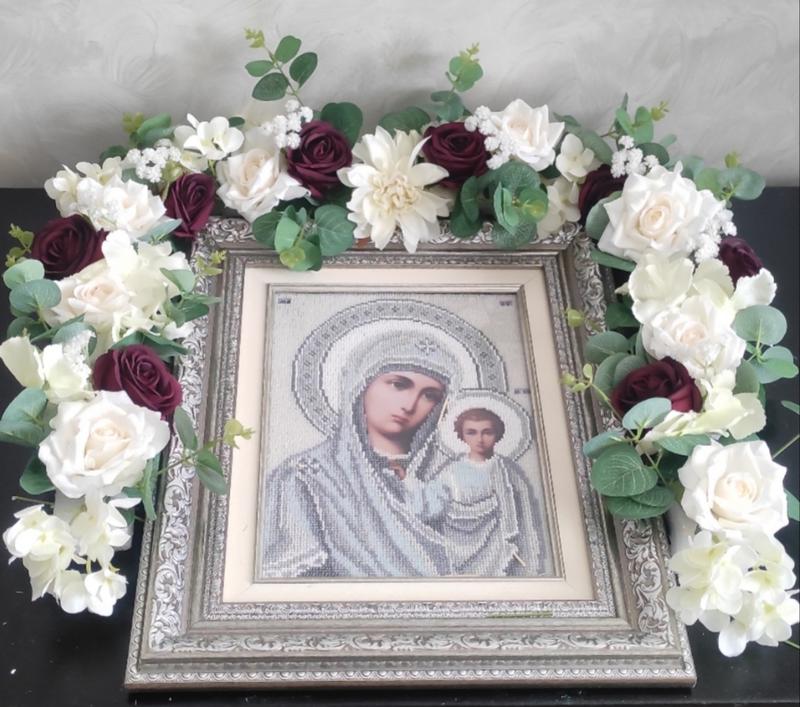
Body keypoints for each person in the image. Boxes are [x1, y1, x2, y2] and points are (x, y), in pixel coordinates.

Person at [260, 330, 463, 577]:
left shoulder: (448, 477)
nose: (410, 405)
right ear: (361, 385)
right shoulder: (305, 477)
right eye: (399, 385)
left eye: (430, 396)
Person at [407, 395, 553, 576]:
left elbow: (525, 515)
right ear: (462, 435)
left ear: (497, 434)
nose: (480, 439)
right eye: (472, 432)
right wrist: (408, 482)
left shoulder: (509, 473)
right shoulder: (452, 471)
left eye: (487, 432)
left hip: (497, 547)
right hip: (456, 546)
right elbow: (430, 505)